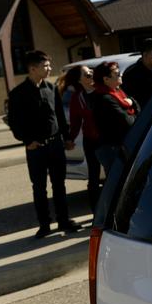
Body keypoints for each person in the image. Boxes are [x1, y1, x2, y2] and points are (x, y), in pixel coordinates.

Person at [7, 50, 81, 238]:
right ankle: (44, 224)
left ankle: (63, 220)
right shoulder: (18, 93)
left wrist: (67, 138)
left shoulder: (51, 88)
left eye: (49, 65)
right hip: (35, 148)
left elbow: (58, 116)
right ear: (33, 68)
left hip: (55, 145)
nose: (49, 69)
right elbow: (14, 121)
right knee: (39, 187)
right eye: (45, 66)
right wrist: (26, 140)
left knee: (59, 184)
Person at [58, 65, 102, 212]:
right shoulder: (77, 98)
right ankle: (97, 213)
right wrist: (69, 139)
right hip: (91, 141)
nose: (91, 73)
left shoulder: (103, 89)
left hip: (109, 140)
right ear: (79, 80)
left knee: (114, 176)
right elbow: (75, 122)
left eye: (91, 71)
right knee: (94, 178)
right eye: (86, 73)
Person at [92, 61, 140, 175]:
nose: (121, 75)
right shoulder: (104, 98)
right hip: (111, 149)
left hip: (121, 145)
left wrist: (132, 102)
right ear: (106, 79)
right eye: (117, 73)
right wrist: (134, 110)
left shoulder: (118, 92)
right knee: (119, 183)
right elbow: (128, 121)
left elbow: (138, 107)